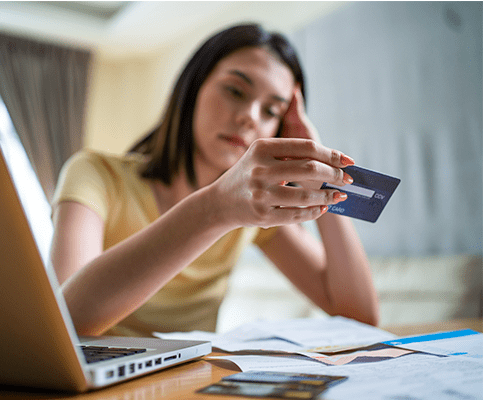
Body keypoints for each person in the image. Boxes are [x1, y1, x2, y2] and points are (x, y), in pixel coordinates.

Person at [50, 23, 379, 337]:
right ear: (192, 89)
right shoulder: (95, 175)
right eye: (236, 91)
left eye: (271, 112)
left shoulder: (252, 214)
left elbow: (359, 316)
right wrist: (215, 209)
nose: (249, 116)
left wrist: (322, 177)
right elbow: (65, 323)